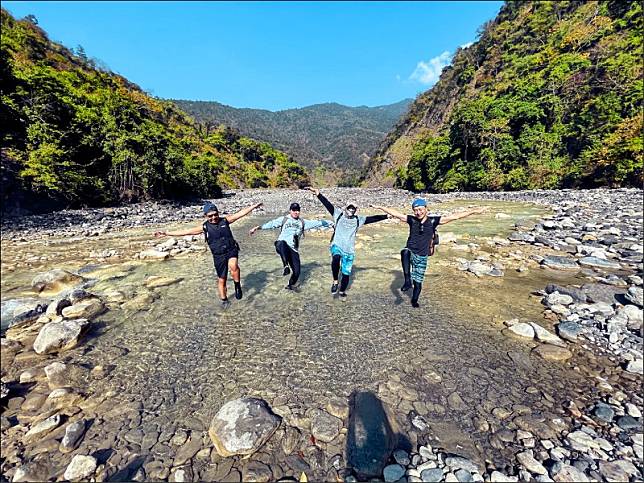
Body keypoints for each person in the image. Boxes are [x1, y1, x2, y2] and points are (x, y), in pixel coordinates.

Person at [373, 199, 487, 308]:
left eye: (420, 209)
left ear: (426, 209)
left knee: (418, 283)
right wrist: (380, 207)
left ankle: (414, 300)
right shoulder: (411, 220)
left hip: (422, 257)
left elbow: (455, 216)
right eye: (415, 210)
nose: (418, 212)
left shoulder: (433, 221)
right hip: (411, 251)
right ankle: (407, 281)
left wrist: (474, 210)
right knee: (405, 252)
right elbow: (396, 213)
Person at [155, 201, 263, 308]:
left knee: (233, 265)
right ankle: (224, 300)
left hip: (231, 249)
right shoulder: (205, 227)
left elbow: (240, 214)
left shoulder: (225, 221)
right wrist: (166, 233)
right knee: (222, 279)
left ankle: (237, 285)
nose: (214, 217)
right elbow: (186, 231)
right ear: (206, 216)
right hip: (218, 255)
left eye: (216, 214)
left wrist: (253, 206)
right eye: (210, 216)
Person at [305, 187, 388, 297]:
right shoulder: (338, 215)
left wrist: (387, 216)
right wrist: (318, 194)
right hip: (337, 245)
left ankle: (342, 291)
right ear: (346, 208)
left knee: (346, 274)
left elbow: (373, 218)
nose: (351, 210)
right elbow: (327, 204)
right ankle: (335, 281)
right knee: (336, 258)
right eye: (350, 208)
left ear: (356, 210)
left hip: (349, 250)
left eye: (353, 209)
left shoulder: (358, 220)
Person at [248, 202, 333, 290]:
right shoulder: (284, 219)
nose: (296, 212)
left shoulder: (303, 222)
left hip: (293, 250)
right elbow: (271, 224)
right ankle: (286, 266)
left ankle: (290, 286)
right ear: (290, 211)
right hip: (281, 246)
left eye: (298, 210)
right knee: (282, 242)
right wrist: (257, 228)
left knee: (297, 272)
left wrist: (332, 223)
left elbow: (318, 223)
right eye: (294, 210)